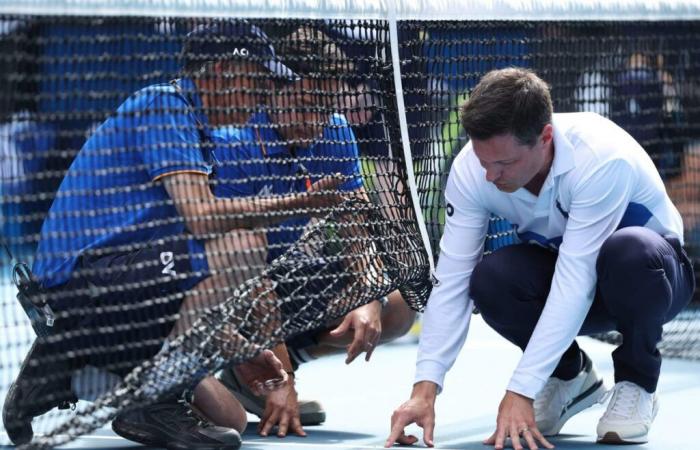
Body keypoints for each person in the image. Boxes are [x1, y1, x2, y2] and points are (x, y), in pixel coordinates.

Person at [2, 20, 333, 450]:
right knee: (243, 246)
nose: (264, 95)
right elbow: (202, 222)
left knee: (230, 416)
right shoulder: (163, 106)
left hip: (124, 286)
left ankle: (58, 370)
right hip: (79, 286)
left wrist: (243, 349)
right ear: (221, 73)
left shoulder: (202, 132)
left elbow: (193, 272)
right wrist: (293, 206)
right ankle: (147, 400)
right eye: (257, 81)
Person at [386, 67, 694, 449]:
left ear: (545, 137)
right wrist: (425, 388)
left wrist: (521, 390)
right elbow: (451, 279)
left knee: (629, 251)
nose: (489, 176)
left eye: (503, 164)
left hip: (653, 280)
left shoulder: (599, 158)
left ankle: (637, 383)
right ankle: (570, 377)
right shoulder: (473, 169)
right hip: (578, 282)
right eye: (484, 162)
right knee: (489, 278)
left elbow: (576, 279)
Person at [210, 25, 416, 438]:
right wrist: (284, 382)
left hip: (285, 277)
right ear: (272, 88)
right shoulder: (233, 138)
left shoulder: (335, 133)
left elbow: (358, 232)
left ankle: (256, 374)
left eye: (327, 107)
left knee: (398, 308)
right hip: (226, 287)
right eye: (306, 105)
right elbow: (245, 268)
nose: (317, 122)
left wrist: (369, 295)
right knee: (225, 418)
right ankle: (253, 371)